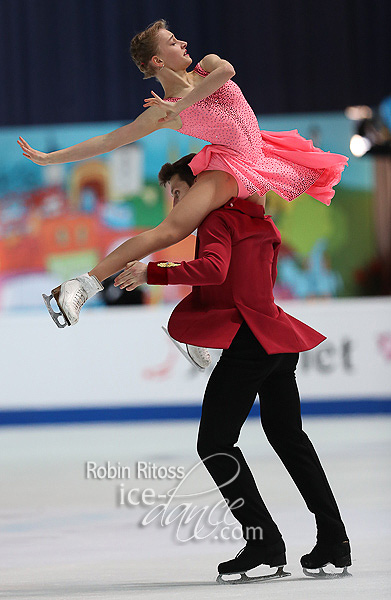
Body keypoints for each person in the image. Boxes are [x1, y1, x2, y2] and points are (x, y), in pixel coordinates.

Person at [17, 19, 348, 326]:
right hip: (229, 166)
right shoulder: (164, 111)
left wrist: (183, 103)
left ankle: (202, 325)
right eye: (174, 42)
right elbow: (111, 140)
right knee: (170, 231)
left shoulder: (208, 66)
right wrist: (51, 159)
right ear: (158, 61)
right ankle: (84, 285)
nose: (184, 43)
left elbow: (227, 72)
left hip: (258, 158)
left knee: (253, 250)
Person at [123, 153, 351, 581]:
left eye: (177, 193)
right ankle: (334, 539)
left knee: (214, 443)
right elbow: (252, 283)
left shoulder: (217, 221)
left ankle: (263, 541)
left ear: (202, 185)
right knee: (290, 438)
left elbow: (213, 270)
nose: (175, 206)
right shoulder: (261, 221)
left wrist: (150, 272)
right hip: (278, 339)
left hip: (252, 344)